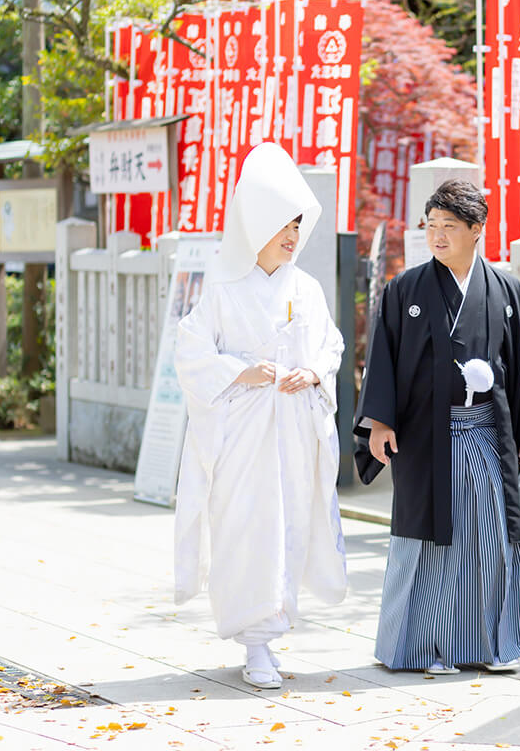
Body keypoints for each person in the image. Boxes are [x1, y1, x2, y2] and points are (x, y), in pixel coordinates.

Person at [354, 179, 520, 675]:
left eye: (449, 226)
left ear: (478, 230)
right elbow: (382, 359)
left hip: (487, 436)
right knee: (432, 542)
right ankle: (425, 648)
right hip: (426, 438)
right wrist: (380, 422)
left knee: (490, 538)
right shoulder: (405, 288)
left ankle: (491, 645)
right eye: (431, 226)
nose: (437, 235)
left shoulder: (505, 289)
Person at [173, 142, 347, 689]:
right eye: (282, 225)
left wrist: (314, 373)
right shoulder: (223, 289)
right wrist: (244, 371)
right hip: (243, 431)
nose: (292, 236)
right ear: (255, 227)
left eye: (297, 225)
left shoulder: (308, 288)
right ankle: (255, 642)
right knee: (247, 527)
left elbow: (332, 345)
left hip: (294, 427)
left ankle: (271, 632)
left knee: (290, 522)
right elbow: (191, 352)